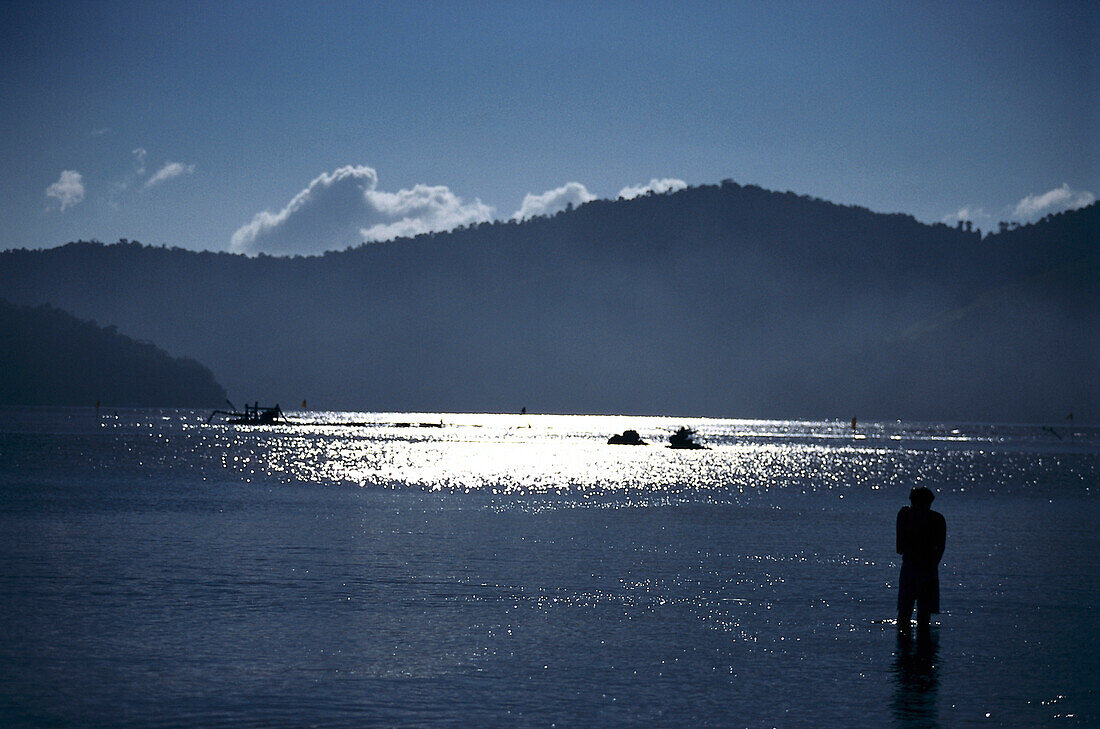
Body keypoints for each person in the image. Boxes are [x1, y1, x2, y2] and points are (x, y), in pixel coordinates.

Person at [896, 486, 946, 632]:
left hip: (913, 566)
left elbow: (900, 547)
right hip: (927, 567)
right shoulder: (937, 519)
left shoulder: (905, 515)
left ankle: (906, 647)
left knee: (906, 611)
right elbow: (940, 547)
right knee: (923, 614)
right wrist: (932, 565)